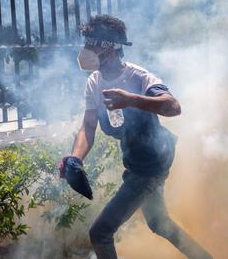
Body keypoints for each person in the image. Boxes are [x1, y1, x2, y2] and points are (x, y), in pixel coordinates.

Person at [59, 15, 212, 259]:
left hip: (151, 164)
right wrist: (75, 159)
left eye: (92, 43)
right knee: (159, 223)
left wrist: (131, 99)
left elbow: (173, 106)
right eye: (86, 42)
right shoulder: (94, 82)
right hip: (136, 163)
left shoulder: (139, 77)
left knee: (100, 232)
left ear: (109, 48)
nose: (86, 49)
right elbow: (88, 126)